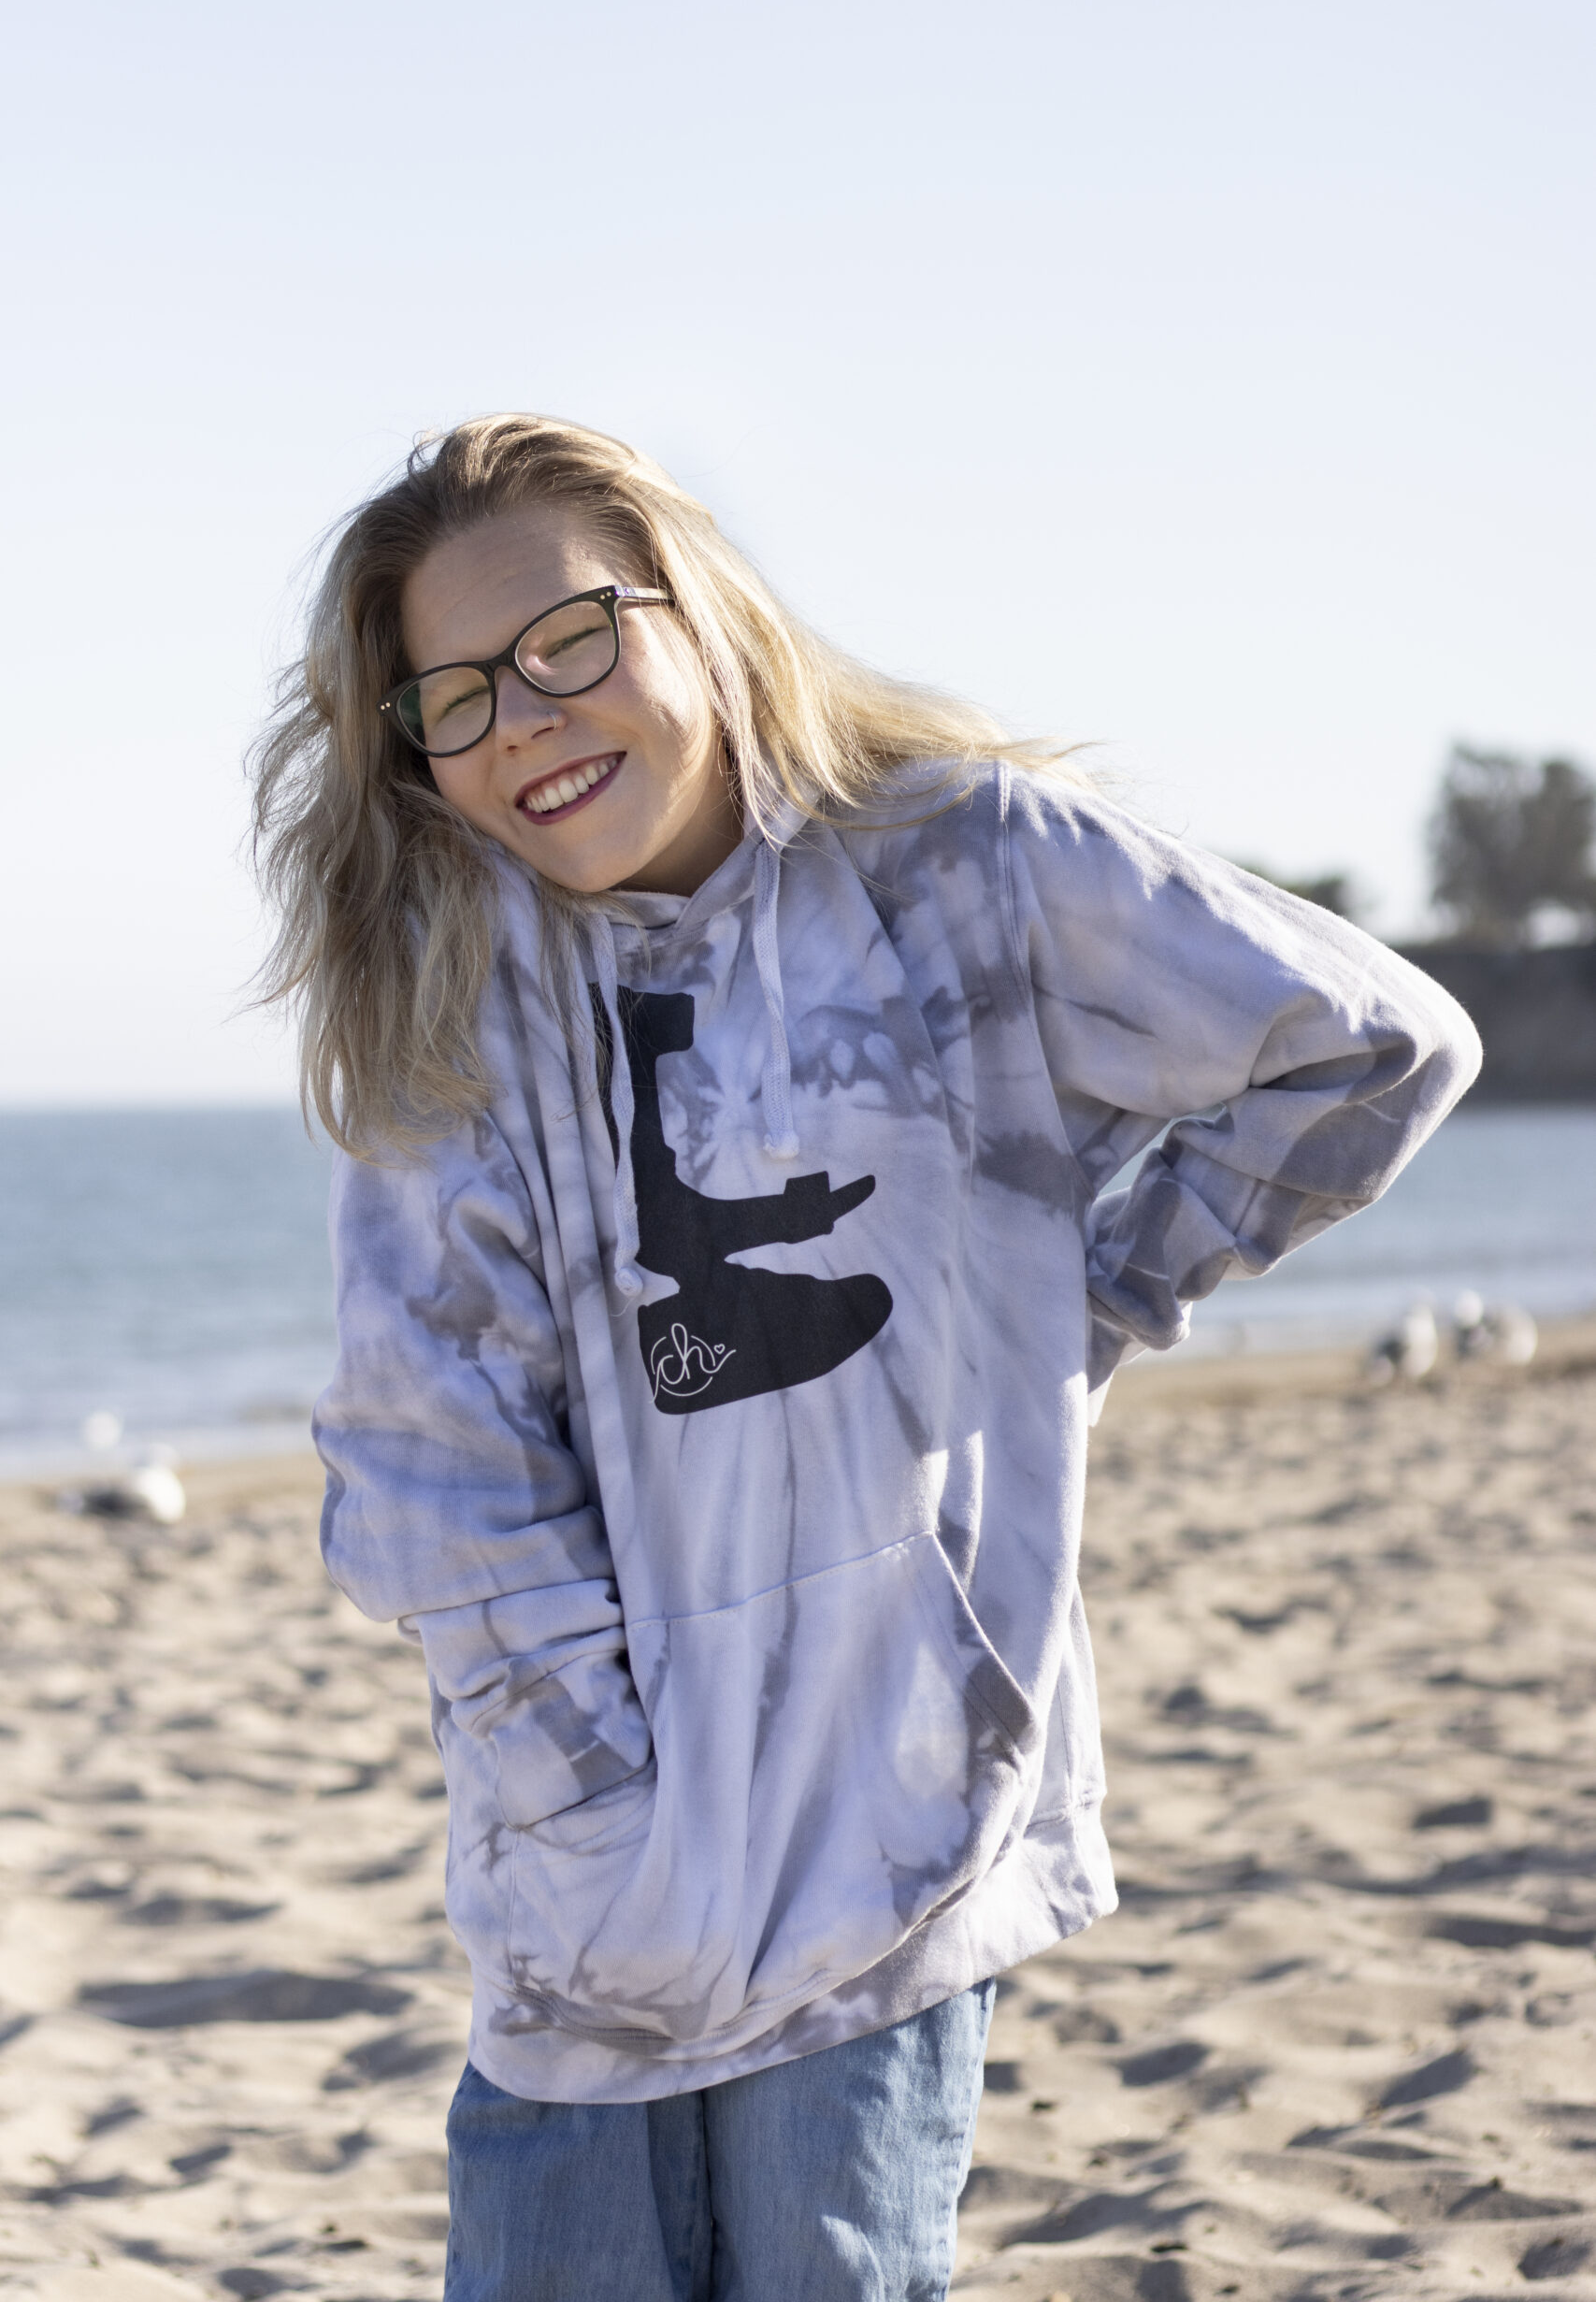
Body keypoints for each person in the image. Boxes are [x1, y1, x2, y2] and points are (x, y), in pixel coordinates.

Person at [253, 414, 1480, 2301]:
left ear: (697, 608)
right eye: (459, 694)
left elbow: (1368, 1047)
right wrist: (601, 1821)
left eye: (570, 637)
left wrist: (1081, 1306)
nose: (526, 718)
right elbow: (433, 1463)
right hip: (588, 1899)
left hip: (890, 1822)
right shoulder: (451, 983)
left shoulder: (964, 870)